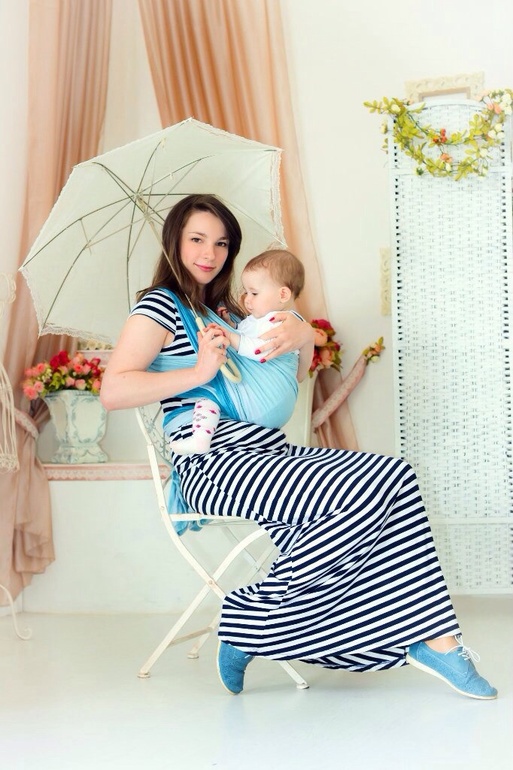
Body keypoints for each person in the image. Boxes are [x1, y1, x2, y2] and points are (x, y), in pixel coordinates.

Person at [101, 193, 497, 701]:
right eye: (197, 239)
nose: (210, 253)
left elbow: (294, 373)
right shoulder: (160, 305)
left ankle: (433, 640)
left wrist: (304, 333)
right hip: (213, 464)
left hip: (271, 454)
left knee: (396, 478)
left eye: (222, 243)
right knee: (361, 495)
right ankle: (261, 625)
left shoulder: (231, 309)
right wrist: (198, 373)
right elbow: (114, 390)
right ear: (174, 241)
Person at [168, 248, 308, 456]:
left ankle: (201, 437)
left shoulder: (281, 321)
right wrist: (230, 325)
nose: (247, 299)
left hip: (268, 400)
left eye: (254, 293)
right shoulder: (259, 319)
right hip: (268, 404)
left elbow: (259, 350)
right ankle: (201, 440)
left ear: (283, 294)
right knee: (208, 401)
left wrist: (230, 336)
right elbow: (246, 334)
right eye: (246, 292)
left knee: (208, 399)